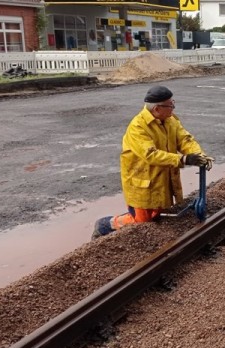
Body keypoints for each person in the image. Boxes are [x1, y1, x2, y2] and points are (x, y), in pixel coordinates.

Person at [92, 86, 215, 239]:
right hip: (142, 182)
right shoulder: (138, 127)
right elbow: (151, 155)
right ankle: (105, 225)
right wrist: (182, 159)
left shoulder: (170, 120)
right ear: (157, 109)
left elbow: (184, 139)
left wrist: (198, 155)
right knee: (141, 222)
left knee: (155, 213)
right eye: (170, 105)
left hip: (160, 179)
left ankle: (134, 218)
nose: (173, 108)